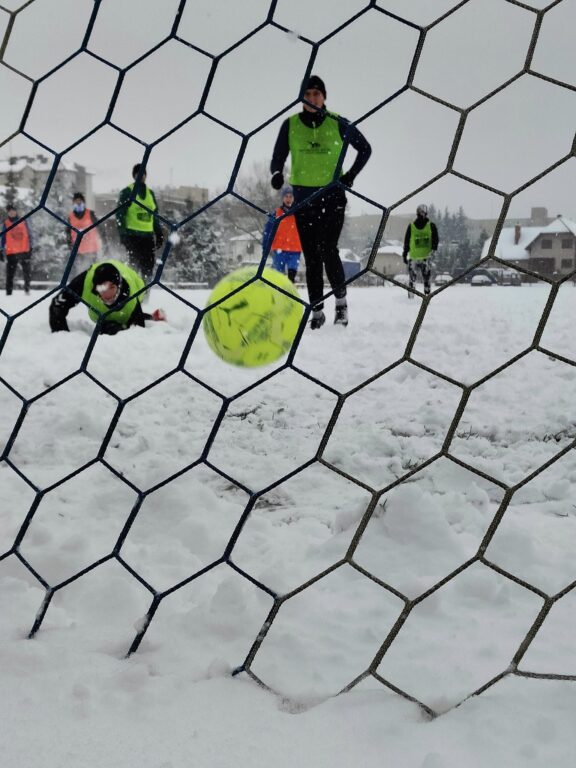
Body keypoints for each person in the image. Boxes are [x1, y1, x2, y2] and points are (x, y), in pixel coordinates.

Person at [270, 74, 371, 328]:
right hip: (305, 199)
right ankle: (316, 311)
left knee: (328, 250)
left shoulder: (337, 123)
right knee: (312, 256)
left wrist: (350, 176)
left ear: (324, 97)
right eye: (308, 94)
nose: (313, 98)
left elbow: (365, 148)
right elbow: (278, 157)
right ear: (302, 98)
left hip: (332, 197)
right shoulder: (290, 125)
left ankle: (341, 305)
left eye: (317, 94)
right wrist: (277, 174)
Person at [49, 259, 166, 335]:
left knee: (124, 325)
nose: (107, 294)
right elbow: (57, 305)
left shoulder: (133, 295)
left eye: (111, 287)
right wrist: (61, 336)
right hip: (100, 312)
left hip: (130, 295)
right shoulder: (84, 283)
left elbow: (138, 333)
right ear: (95, 288)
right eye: (101, 288)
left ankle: (152, 318)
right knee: (108, 327)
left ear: (119, 286)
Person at [116, 164, 164, 283]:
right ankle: (132, 291)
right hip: (133, 236)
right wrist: (122, 233)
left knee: (148, 267)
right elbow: (120, 214)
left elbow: (154, 215)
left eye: (143, 173)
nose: (141, 176)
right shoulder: (127, 192)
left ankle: (145, 294)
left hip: (147, 237)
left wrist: (158, 232)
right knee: (134, 266)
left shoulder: (150, 194)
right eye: (138, 174)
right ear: (134, 175)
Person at [262, 185, 302, 283]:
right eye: (286, 196)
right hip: (279, 249)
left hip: (295, 250)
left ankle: (289, 294)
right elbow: (267, 232)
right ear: (282, 198)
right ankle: (278, 294)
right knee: (278, 278)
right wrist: (265, 248)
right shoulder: (276, 214)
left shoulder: (299, 213)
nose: (288, 199)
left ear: (294, 198)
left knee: (291, 278)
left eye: (290, 196)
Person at [402, 204, 439, 296]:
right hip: (418, 258)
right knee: (419, 279)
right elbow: (406, 241)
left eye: (422, 213)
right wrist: (404, 253)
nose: (421, 215)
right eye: (420, 213)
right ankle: (415, 295)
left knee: (424, 279)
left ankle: (425, 296)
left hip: (424, 257)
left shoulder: (431, 226)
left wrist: (433, 250)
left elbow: (435, 240)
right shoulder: (412, 227)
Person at [0, 204, 33, 295]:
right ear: (8, 212)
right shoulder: (6, 223)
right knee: (10, 274)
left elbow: (30, 234)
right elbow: (3, 238)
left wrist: (31, 247)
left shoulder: (23, 221)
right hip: (11, 252)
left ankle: (27, 290)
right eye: (9, 211)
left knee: (27, 273)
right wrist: (1, 249)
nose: (12, 212)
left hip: (24, 250)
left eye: (13, 210)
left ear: (16, 211)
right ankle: (9, 293)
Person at [68, 192, 102, 278]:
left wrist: (103, 240)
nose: (78, 203)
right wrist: (69, 245)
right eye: (76, 201)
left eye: (80, 201)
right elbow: (68, 233)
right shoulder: (70, 217)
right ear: (73, 203)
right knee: (79, 274)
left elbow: (100, 228)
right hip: (78, 250)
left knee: (93, 272)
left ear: (83, 202)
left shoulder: (90, 213)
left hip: (92, 249)